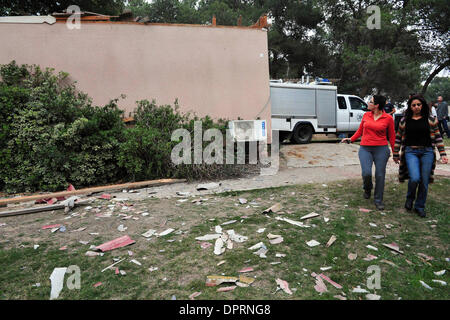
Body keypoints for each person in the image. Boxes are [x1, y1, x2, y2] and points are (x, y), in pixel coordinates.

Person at [393, 95, 448, 217]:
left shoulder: (431, 119)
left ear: (422, 105)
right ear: (410, 107)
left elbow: (438, 137)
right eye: (414, 105)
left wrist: (443, 154)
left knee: (424, 180)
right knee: (414, 178)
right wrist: (396, 153)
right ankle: (410, 198)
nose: (416, 107)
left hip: (427, 152)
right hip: (410, 152)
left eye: (418, 104)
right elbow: (398, 138)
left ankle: (419, 206)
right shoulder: (404, 120)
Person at [341, 95, 395, 210]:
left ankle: (378, 200)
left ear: (377, 105)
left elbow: (392, 136)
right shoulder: (366, 115)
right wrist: (351, 139)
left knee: (380, 175)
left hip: (381, 149)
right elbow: (360, 130)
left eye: (370, 102)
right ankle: (367, 188)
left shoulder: (388, 118)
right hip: (365, 148)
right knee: (366, 173)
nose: (368, 103)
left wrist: (395, 153)